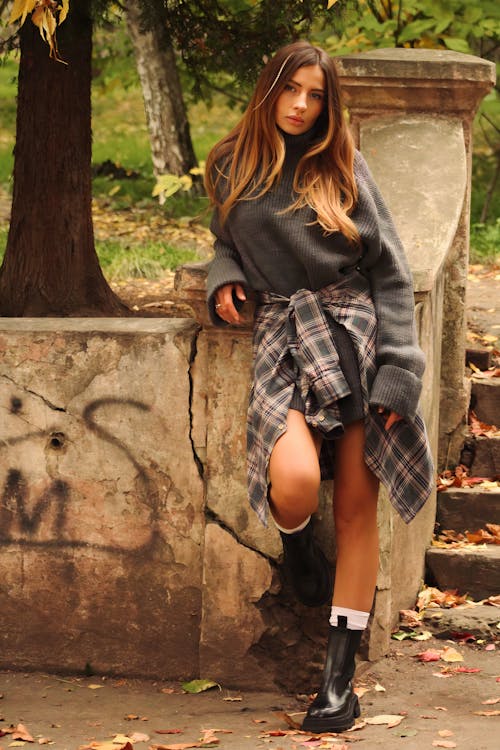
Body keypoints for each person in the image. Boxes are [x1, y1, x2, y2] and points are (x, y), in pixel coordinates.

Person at [204, 40, 434, 733]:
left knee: (360, 505)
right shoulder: (227, 165)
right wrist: (223, 279)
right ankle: (299, 542)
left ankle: (338, 681)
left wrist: (400, 373)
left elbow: (391, 274)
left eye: (316, 96)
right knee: (297, 481)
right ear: (269, 88)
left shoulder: (344, 166)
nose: (302, 106)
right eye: (291, 90)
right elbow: (224, 239)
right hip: (282, 334)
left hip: (355, 332)